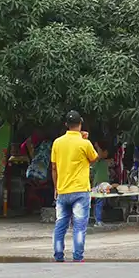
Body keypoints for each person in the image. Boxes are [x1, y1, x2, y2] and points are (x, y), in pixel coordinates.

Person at [50, 111, 104, 262]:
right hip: (80, 191)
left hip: (63, 190)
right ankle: (77, 257)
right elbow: (94, 159)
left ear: (66, 125)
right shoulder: (84, 143)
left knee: (60, 225)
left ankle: (58, 256)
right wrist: (85, 139)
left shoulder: (57, 143)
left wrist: (56, 187)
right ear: (80, 124)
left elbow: (54, 168)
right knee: (79, 226)